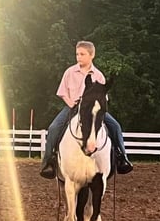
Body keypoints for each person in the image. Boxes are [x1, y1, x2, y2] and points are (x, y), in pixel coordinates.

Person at [40, 41, 133, 179]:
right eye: (77, 54)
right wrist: (71, 104)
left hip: (93, 109)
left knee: (115, 126)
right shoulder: (70, 72)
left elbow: (103, 98)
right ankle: (48, 162)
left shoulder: (98, 75)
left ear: (92, 55)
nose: (79, 57)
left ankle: (122, 158)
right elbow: (62, 92)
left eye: (82, 54)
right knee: (53, 128)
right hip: (73, 106)